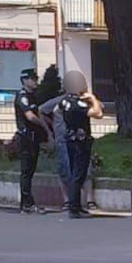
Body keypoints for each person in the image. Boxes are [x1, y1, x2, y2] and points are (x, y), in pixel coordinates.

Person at [42, 71, 104, 219]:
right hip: (79, 141)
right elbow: (98, 113)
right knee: (78, 174)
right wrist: (93, 98)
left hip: (70, 139)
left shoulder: (64, 101)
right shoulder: (78, 103)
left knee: (75, 173)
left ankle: (75, 206)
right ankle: (75, 208)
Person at [14, 68, 49, 214]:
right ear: (25, 80)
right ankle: (27, 204)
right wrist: (42, 124)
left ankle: (28, 203)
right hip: (26, 137)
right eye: (33, 79)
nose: (36, 81)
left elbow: (38, 112)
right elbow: (30, 116)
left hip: (33, 136)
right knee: (27, 171)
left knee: (30, 170)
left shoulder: (32, 96)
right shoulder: (22, 97)